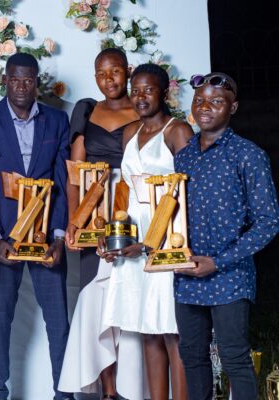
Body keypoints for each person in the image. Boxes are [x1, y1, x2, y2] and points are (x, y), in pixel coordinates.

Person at [173, 72, 279, 400]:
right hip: (187, 273)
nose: (205, 107)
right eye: (199, 101)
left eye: (216, 101)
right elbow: (173, 214)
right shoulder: (184, 155)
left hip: (229, 275)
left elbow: (268, 222)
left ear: (232, 108)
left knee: (234, 357)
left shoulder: (249, 155)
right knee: (192, 356)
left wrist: (218, 262)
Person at [0, 53, 72, 400]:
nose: (20, 86)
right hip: (4, 236)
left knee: (58, 322)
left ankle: (64, 394)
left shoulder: (57, 120)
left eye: (28, 80)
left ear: (37, 82)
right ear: (5, 80)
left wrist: (59, 237)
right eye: (14, 79)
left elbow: (62, 182)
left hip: (46, 237)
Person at [98, 63, 194, 400]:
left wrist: (151, 241)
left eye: (148, 90)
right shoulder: (130, 132)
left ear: (164, 93)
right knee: (147, 329)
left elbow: (189, 193)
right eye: (135, 90)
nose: (140, 97)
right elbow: (124, 191)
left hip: (166, 238)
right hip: (132, 242)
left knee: (171, 330)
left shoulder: (178, 131)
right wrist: (113, 232)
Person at [58, 48, 144, 399]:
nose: (109, 79)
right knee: (97, 302)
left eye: (115, 71)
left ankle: (131, 387)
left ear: (128, 71)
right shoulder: (86, 110)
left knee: (130, 300)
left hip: (132, 211)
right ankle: (108, 391)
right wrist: (75, 222)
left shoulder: (143, 107)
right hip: (94, 213)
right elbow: (74, 176)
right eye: (101, 73)